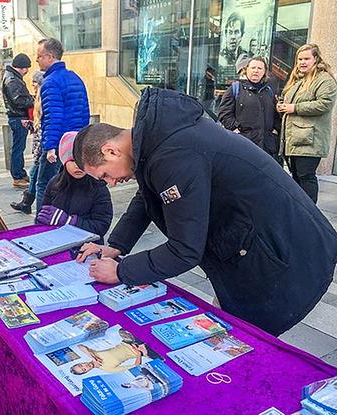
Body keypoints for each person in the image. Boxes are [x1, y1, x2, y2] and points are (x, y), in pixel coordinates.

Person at [72, 87, 337, 336]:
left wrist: (121, 271)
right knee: (226, 322)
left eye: (105, 174)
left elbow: (184, 251)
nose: (110, 182)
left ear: (110, 150)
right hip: (254, 237)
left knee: (247, 339)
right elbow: (147, 196)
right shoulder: (154, 140)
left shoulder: (172, 154)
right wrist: (116, 246)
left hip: (285, 249)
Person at [35, 37, 90, 213]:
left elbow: (53, 116)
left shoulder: (50, 82)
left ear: (50, 57)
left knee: (45, 184)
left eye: (39, 56)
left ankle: (42, 223)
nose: (37, 60)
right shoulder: (75, 78)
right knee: (71, 182)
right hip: (76, 141)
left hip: (59, 142)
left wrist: (50, 147)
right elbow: (85, 112)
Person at [277, 43, 337, 203]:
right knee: (297, 176)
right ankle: (301, 212)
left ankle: (311, 215)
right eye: (299, 59)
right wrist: (283, 105)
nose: (302, 62)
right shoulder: (299, 80)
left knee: (306, 177)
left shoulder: (325, 80)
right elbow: (289, 102)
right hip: (296, 139)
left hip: (310, 139)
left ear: (316, 59)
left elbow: (325, 103)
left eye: (306, 59)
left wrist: (293, 107)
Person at [37, 132, 112, 244]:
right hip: (57, 242)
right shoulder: (54, 183)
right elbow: (43, 215)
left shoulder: (98, 187)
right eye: (73, 161)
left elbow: (101, 226)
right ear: (64, 161)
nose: (78, 166)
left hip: (86, 246)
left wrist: (71, 221)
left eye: (82, 160)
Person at [217, 57, 282, 164]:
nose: (256, 71)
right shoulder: (235, 88)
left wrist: (274, 132)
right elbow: (224, 113)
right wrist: (235, 129)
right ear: (246, 70)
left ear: (264, 72)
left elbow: (274, 116)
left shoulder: (268, 91)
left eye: (260, 68)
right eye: (253, 67)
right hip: (244, 144)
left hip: (267, 146)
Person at [11, 70, 46, 213]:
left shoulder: (44, 98)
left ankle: (38, 209)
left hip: (43, 145)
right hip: (40, 143)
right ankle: (27, 204)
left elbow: (44, 125)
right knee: (34, 175)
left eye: (35, 82)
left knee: (38, 178)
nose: (32, 84)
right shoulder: (38, 97)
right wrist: (32, 124)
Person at [2, 53, 35, 188]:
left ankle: (20, 173)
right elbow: (18, 100)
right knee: (18, 147)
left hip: (18, 116)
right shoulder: (12, 80)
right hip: (18, 117)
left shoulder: (12, 77)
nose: (27, 71)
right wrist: (32, 100)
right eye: (26, 68)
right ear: (22, 67)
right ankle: (17, 176)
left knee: (19, 147)